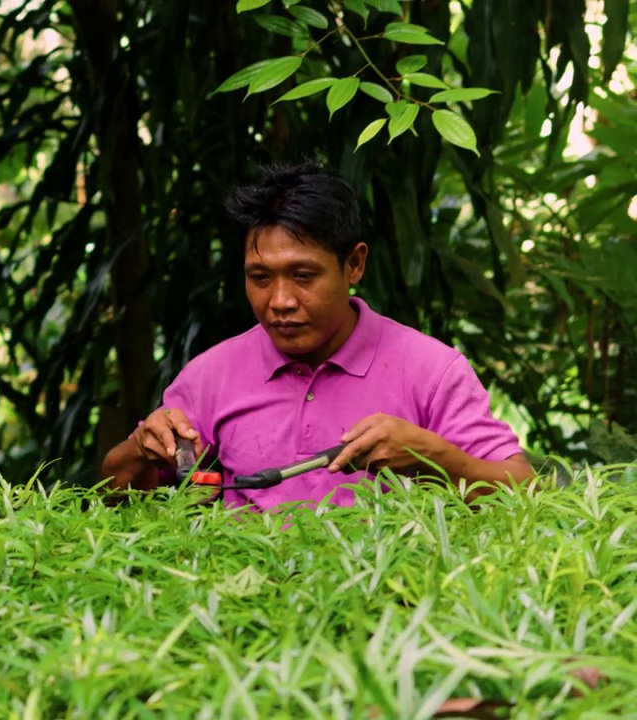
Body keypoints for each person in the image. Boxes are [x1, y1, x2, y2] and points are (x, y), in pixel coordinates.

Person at [100, 162, 534, 509]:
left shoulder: (432, 370)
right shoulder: (211, 375)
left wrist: (432, 458)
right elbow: (107, 497)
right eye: (260, 277)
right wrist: (142, 448)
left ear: (355, 265)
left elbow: (528, 494)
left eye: (303, 275)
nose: (281, 301)